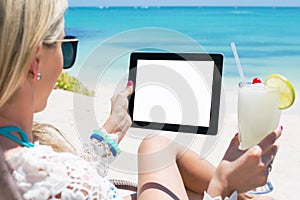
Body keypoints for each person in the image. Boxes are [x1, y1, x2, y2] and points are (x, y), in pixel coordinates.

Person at [0, 0, 281, 199]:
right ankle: (236, 188)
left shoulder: (19, 161)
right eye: (67, 48)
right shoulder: (51, 174)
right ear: (35, 62)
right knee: (162, 154)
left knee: (155, 143)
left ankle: (240, 189)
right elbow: (73, 179)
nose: (64, 62)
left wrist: (114, 125)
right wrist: (222, 186)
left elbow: (75, 180)